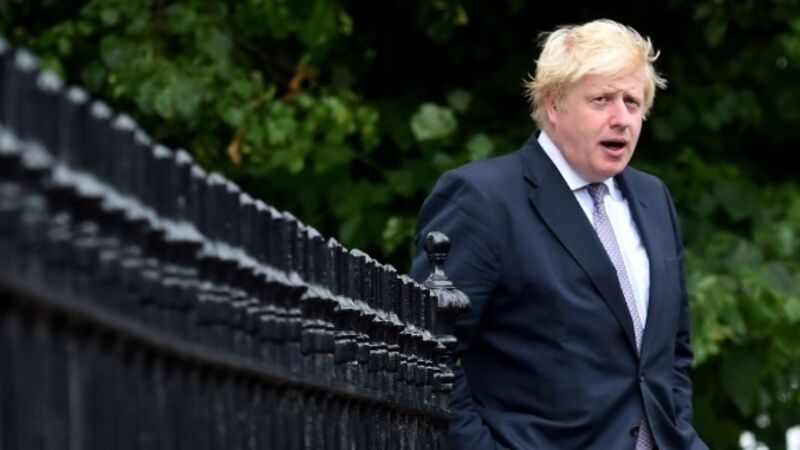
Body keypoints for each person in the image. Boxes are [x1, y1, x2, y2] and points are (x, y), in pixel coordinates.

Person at [410, 19, 708, 449]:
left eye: (632, 101)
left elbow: (672, 354)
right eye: (602, 100)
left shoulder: (653, 198)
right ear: (553, 104)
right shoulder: (483, 199)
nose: (621, 119)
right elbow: (425, 355)